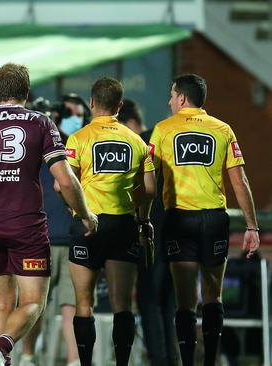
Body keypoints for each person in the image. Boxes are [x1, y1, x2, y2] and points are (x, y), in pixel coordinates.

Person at [0, 63, 97, 366]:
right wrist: (84, 213)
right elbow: (66, 179)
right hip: (26, 226)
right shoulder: (40, 123)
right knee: (33, 301)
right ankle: (3, 346)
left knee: (2, 302)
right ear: (27, 92)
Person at [149, 73, 259, 366]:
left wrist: (141, 218)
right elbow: (240, 181)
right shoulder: (223, 129)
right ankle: (209, 361)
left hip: (179, 220)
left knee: (185, 301)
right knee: (214, 297)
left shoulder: (162, 130)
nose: (170, 101)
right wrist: (251, 225)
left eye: (172, 95)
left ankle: (187, 362)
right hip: (214, 220)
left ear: (182, 98)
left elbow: (150, 181)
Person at [65, 77, 156, 366]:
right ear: (119, 106)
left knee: (83, 303)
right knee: (122, 305)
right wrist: (142, 218)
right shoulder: (137, 141)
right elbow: (150, 189)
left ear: (91, 103)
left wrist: (77, 211)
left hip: (87, 225)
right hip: (123, 226)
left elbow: (62, 185)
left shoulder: (78, 138)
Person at [19, 96, 89, 366]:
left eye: (78, 114)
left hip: (64, 236)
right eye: (66, 114)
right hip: (44, 236)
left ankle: (68, 360)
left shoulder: (76, 145)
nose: (73, 119)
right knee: (38, 304)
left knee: (61, 304)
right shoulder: (48, 144)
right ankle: (29, 356)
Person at [118, 98, 178, 366]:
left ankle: (159, 360)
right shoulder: (170, 141)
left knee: (150, 299)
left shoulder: (140, 143)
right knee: (170, 302)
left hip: (152, 230)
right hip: (181, 228)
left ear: (129, 124)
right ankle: (173, 359)